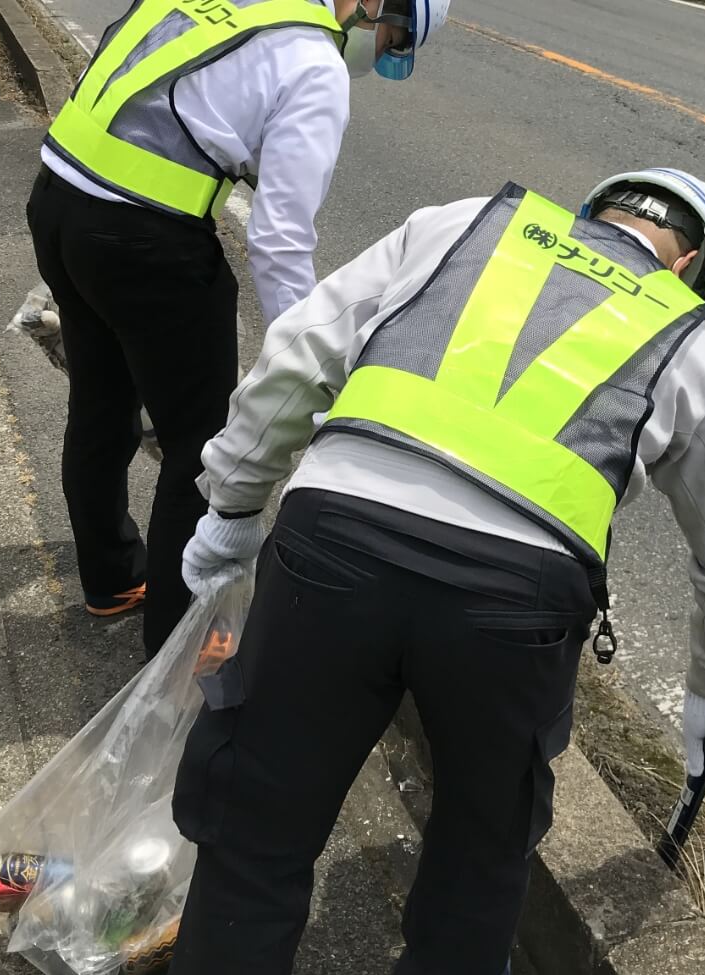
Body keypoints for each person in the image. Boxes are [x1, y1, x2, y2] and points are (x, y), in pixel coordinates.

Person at [164, 167, 705, 975]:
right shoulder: (683, 338)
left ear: (593, 215)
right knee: (485, 825)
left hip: (334, 540)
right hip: (514, 603)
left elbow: (302, 347)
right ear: (691, 261)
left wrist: (233, 502)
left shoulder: (464, 224)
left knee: (257, 829)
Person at [26, 0, 449, 657]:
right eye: (393, 39)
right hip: (146, 243)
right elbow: (280, 240)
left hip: (57, 199)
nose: (382, 52)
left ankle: (111, 579)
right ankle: (180, 648)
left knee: (101, 400)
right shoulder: (314, 63)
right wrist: (301, 364)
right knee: (202, 445)